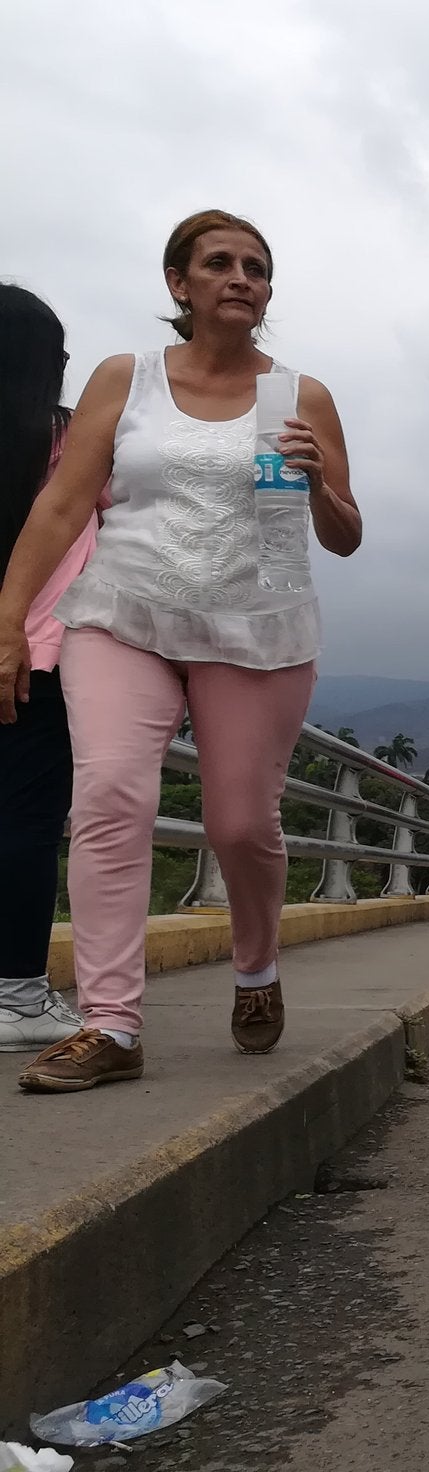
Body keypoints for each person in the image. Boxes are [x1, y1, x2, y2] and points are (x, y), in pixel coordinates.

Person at [4, 211, 362, 1091]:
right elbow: (62, 506)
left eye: (256, 267)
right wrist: (9, 618)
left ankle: (256, 966)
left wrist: (322, 485)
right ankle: (112, 1025)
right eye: (219, 264)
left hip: (257, 629)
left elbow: (346, 535)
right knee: (109, 797)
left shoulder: (301, 397)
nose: (241, 278)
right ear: (180, 284)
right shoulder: (125, 381)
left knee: (240, 826)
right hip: (122, 616)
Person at [0, 285, 91, 1051]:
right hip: (33, 659)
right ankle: (18, 996)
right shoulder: (64, 443)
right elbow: (72, 557)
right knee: (25, 822)